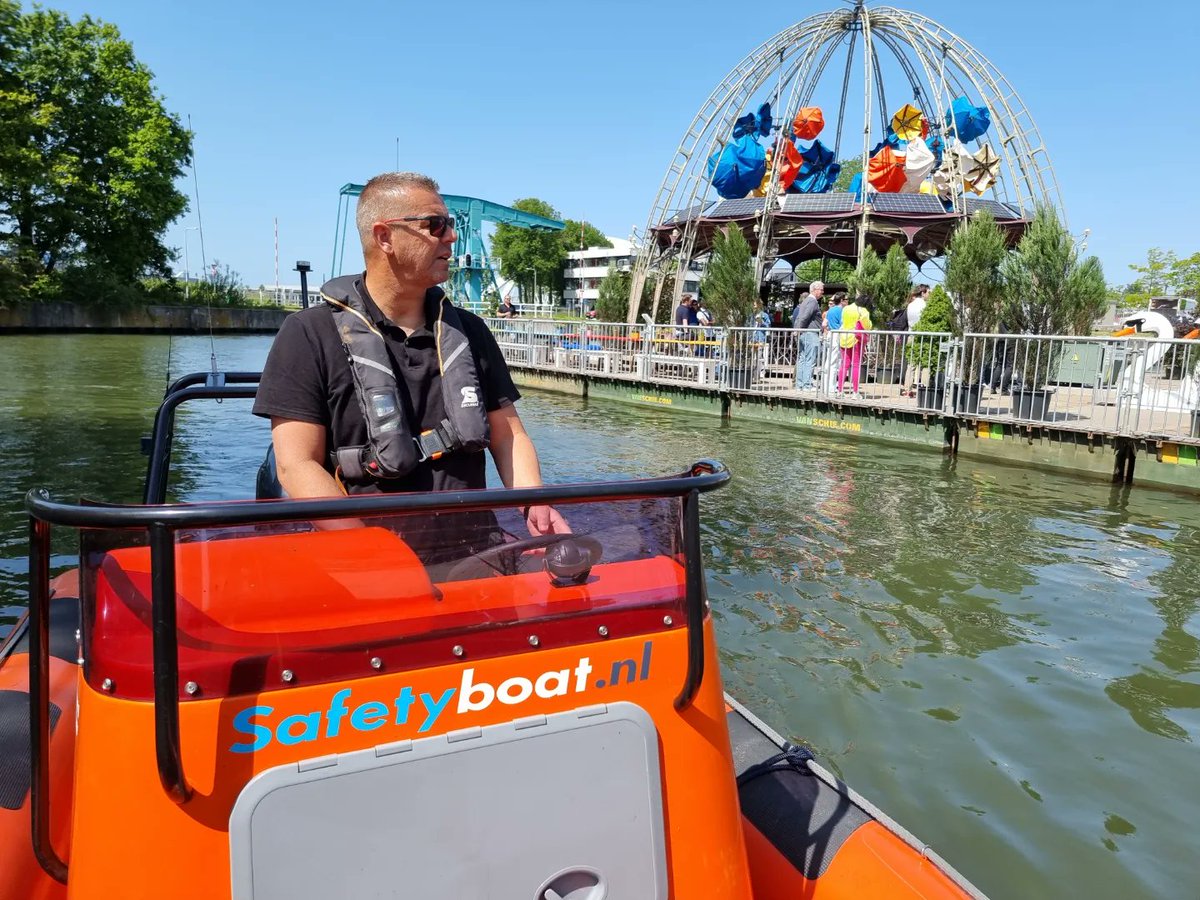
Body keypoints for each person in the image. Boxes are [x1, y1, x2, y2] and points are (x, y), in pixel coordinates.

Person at [252, 171, 567, 566]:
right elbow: (295, 464)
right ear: (385, 237)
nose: (452, 236)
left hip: (476, 555)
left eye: (449, 224)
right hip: (363, 563)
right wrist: (372, 554)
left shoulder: (469, 331)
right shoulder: (308, 334)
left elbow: (508, 436)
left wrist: (534, 502)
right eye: (436, 225)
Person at [838, 295, 873, 399]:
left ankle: (840, 391)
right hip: (856, 339)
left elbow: (842, 321)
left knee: (844, 365)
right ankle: (855, 392)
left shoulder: (846, 308)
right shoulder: (863, 311)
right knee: (856, 365)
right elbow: (867, 326)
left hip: (844, 337)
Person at [791, 285, 824, 390]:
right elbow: (805, 316)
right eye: (821, 290)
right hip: (810, 333)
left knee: (802, 358)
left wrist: (797, 329)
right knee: (809, 359)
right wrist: (798, 329)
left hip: (804, 333)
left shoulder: (805, 301)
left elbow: (800, 317)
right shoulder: (812, 301)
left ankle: (800, 384)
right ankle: (806, 385)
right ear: (814, 290)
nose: (822, 292)